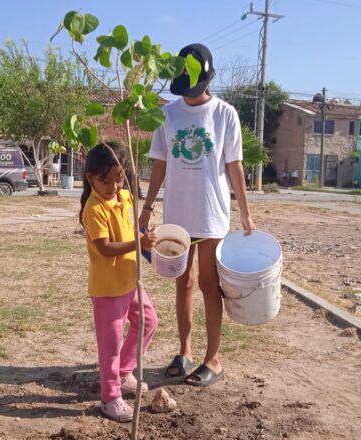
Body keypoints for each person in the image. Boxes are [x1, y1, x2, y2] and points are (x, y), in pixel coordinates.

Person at [139, 43, 256, 387]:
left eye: (194, 89)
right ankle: (185, 352)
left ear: (207, 81)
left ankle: (214, 360)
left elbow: (234, 165)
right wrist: (147, 208)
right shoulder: (168, 114)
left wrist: (246, 213)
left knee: (209, 284)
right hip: (178, 216)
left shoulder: (225, 114)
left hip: (211, 213)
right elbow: (160, 164)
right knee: (183, 283)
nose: (188, 96)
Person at [80, 141, 159, 422]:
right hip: (108, 290)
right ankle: (110, 396)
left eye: (119, 177)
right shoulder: (94, 208)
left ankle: (125, 372)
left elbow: (133, 228)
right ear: (90, 178)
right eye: (105, 180)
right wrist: (138, 243)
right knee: (110, 346)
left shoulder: (125, 197)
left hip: (130, 281)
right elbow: (104, 247)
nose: (113, 185)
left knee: (148, 322)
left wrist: (146, 237)